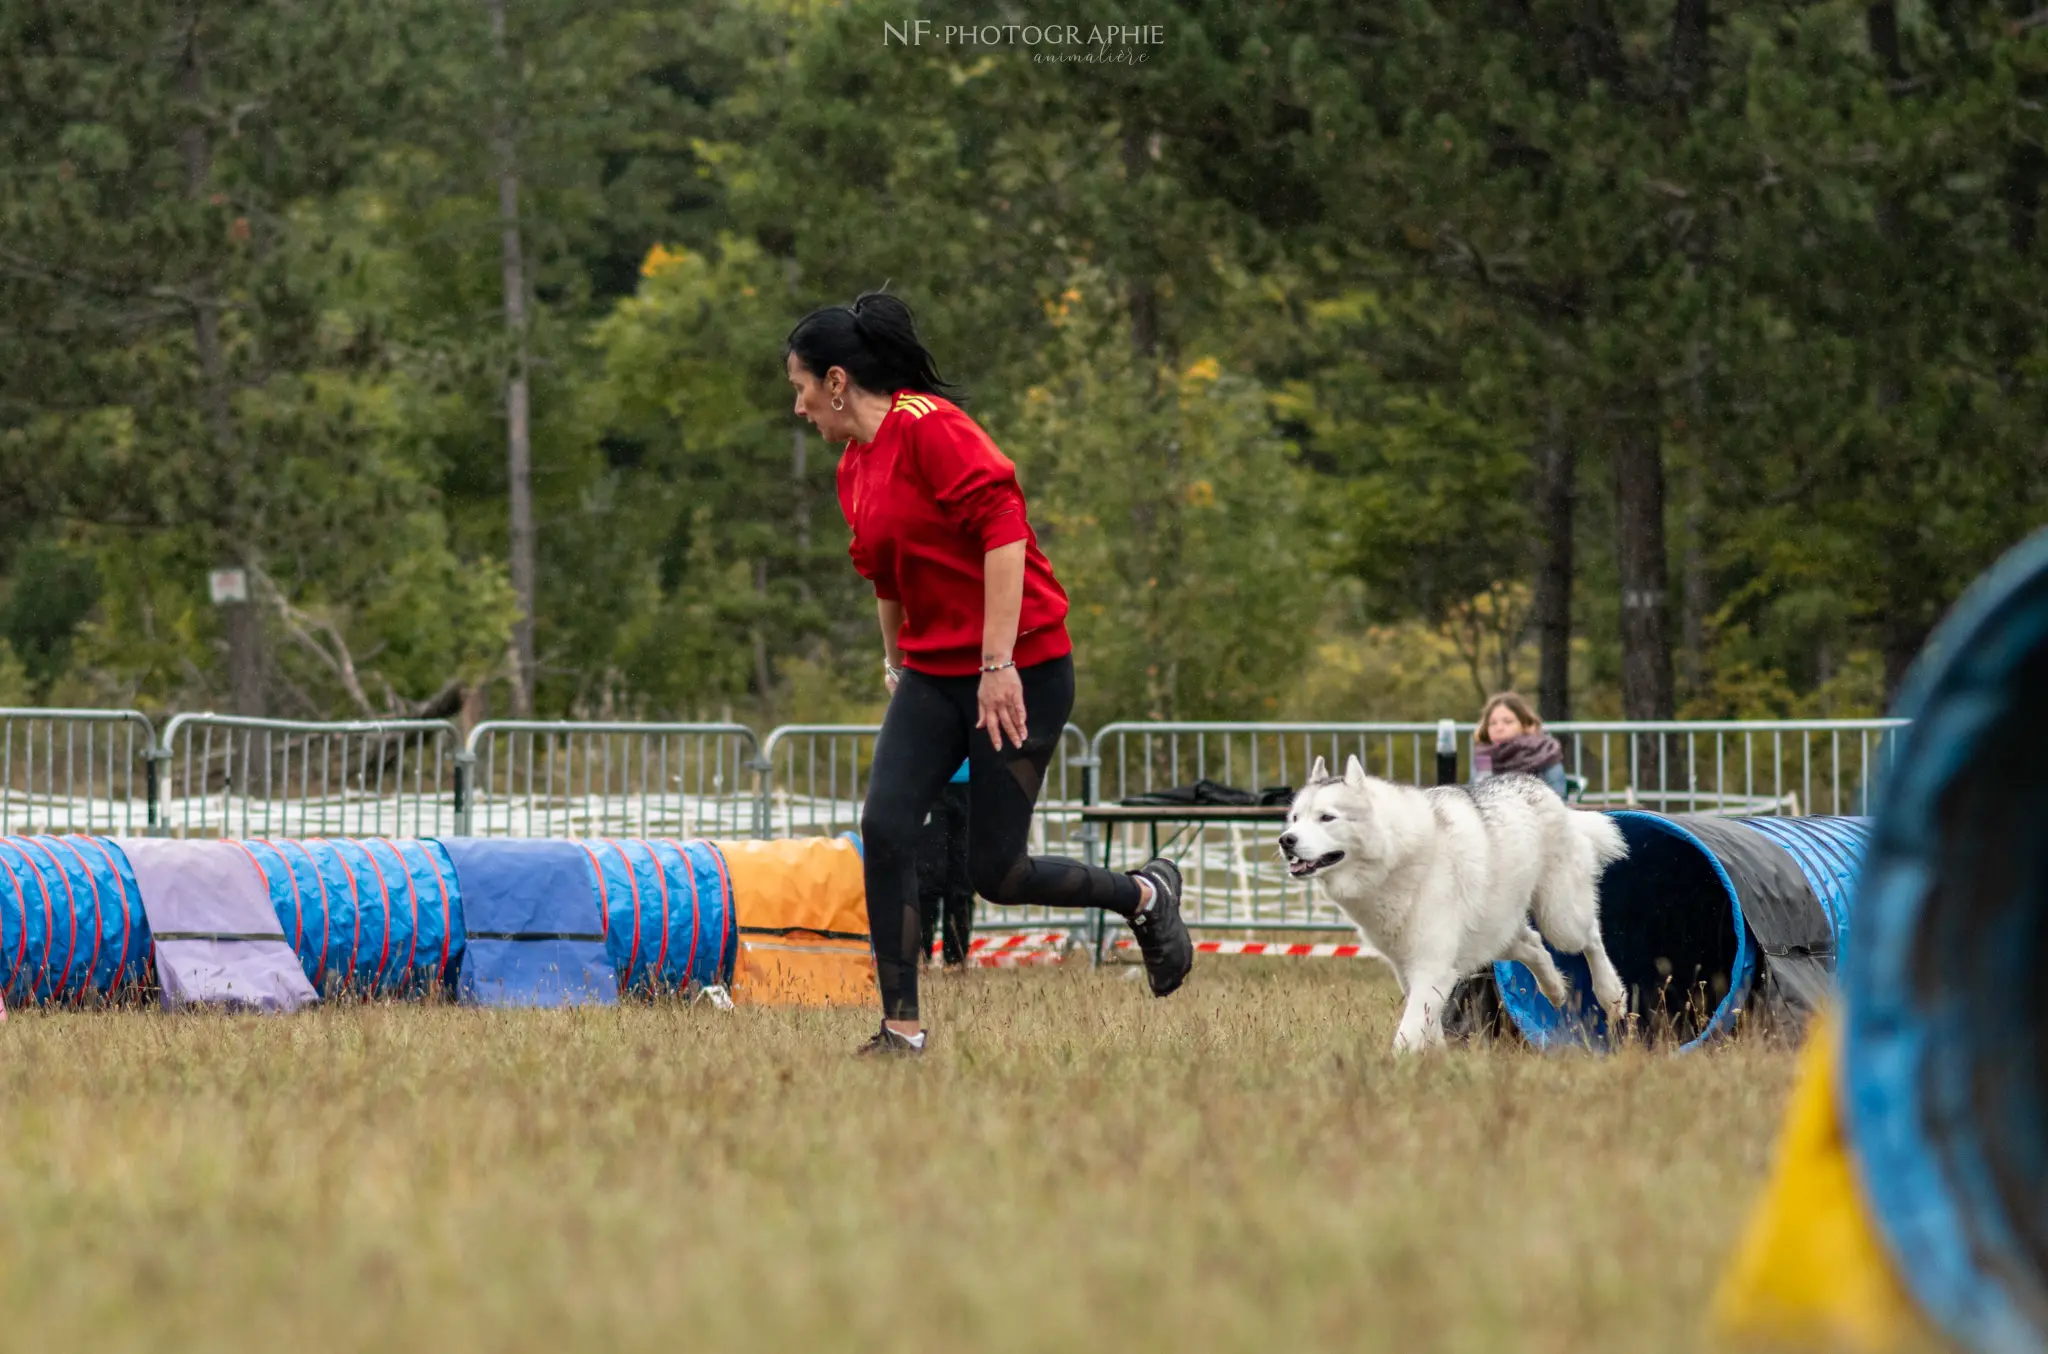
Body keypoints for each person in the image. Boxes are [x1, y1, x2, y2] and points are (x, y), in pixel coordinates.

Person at [784, 290, 1193, 1056]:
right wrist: (896, 664)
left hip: (1024, 665)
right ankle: (901, 1029)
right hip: (934, 675)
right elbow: (887, 578)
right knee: (886, 827)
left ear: (836, 381)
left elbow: (1005, 533)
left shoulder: (930, 428)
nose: (799, 407)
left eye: (801, 389)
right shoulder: (853, 468)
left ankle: (1144, 894)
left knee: (996, 871)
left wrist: (997, 664)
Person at [916, 759, 975, 968]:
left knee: (963, 878)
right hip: (930, 781)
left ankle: (956, 960)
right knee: (928, 875)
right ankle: (920, 959)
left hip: (972, 783)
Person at [1472, 691, 1570, 800]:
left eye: (1508, 722)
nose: (1499, 728)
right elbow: (1474, 796)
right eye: (1493, 723)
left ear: (1525, 724)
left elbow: (1559, 798)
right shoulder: (1484, 756)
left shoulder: (1544, 752)